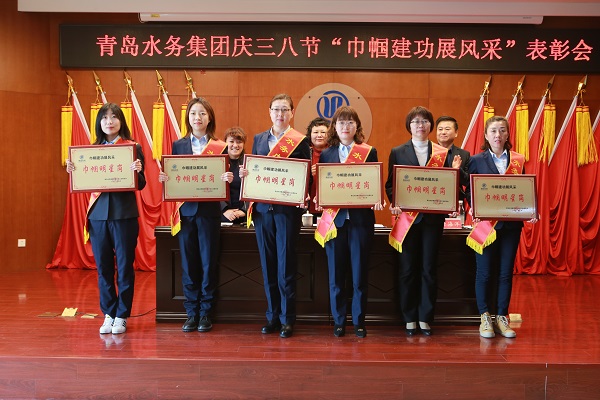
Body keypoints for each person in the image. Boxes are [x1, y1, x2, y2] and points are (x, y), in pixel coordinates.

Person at [66, 102, 146, 335]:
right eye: (104, 118)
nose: (109, 121)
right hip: (98, 216)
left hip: (124, 216)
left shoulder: (132, 147)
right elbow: (83, 182)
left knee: (125, 267)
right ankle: (108, 313)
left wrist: (138, 170)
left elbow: (141, 184)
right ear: (99, 122)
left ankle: (122, 315)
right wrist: (74, 170)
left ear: (121, 121)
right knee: (103, 268)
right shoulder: (90, 151)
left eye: (114, 117)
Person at [239, 93, 311, 338]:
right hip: (262, 212)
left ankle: (287, 319)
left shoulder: (300, 142)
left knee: (286, 265)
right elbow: (255, 172)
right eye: (276, 109)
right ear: (269, 111)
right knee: (268, 264)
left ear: (292, 113)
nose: (280, 114)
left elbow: (305, 177)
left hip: (287, 213)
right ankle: (272, 316)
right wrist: (246, 175)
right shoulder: (259, 139)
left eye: (285, 109)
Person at [159, 97, 227, 333]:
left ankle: (206, 312)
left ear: (210, 118)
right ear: (187, 118)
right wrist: (165, 178)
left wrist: (227, 179)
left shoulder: (220, 146)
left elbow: (228, 180)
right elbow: (174, 176)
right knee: (189, 263)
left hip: (209, 212)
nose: (197, 118)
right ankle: (191, 312)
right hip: (186, 212)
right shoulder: (178, 145)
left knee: (208, 262)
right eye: (193, 114)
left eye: (202, 113)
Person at [466, 115, 538, 339]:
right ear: (486, 135)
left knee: (506, 273)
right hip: (486, 226)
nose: (498, 135)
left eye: (502, 130)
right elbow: (469, 190)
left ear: (507, 134)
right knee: (484, 272)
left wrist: (531, 210)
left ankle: (501, 317)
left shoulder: (518, 160)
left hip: (511, 226)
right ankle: (485, 317)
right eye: (493, 131)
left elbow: (523, 189)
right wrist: (474, 207)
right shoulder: (476, 160)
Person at [315, 106, 384, 338]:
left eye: (350, 122)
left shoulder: (369, 151)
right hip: (335, 223)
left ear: (357, 127)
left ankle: (359, 321)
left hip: (360, 222)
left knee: (359, 274)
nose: (345, 126)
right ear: (335, 127)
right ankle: (339, 320)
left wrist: (377, 198)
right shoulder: (327, 154)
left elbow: (373, 183)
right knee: (336, 276)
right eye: (341, 122)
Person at [385, 106, 450, 336]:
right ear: (409, 126)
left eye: (424, 121)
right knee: (407, 269)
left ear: (431, 125)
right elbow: (391, 184)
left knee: (429, 269)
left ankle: (425, 317)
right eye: (415, 121)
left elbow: (448, 184)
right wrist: (395, 201)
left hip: (433, 220)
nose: (420, 125)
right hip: (408, 220)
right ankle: (409, 317)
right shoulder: (397, 151)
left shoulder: (442, 153)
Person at [435, 116, 470, 202]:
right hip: (432, 198)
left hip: (455, 200)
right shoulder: (429, 152)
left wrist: (458, 170)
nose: (443, 132)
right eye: (440, 129)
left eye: (447, 129)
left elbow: (467, 182)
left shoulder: (464, 154)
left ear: (456, 133)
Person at [220, 127, 247, 224]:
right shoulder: (218, 162)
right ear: (225, 143)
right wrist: (224, 210)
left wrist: (244, 210)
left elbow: (255, 190)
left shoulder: (249, 163)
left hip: (244, 216)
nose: (235, 145)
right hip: (222, 215)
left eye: (239, 142)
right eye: (231, 141)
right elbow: (212, 189)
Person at [306, 117, 331, 221]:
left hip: (330, 206)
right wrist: (308, 173)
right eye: (316, 132)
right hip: (307, 208)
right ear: (310, 135)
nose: (319, 135)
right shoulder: (304, 152)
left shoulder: (335, 152)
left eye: (323, 132)